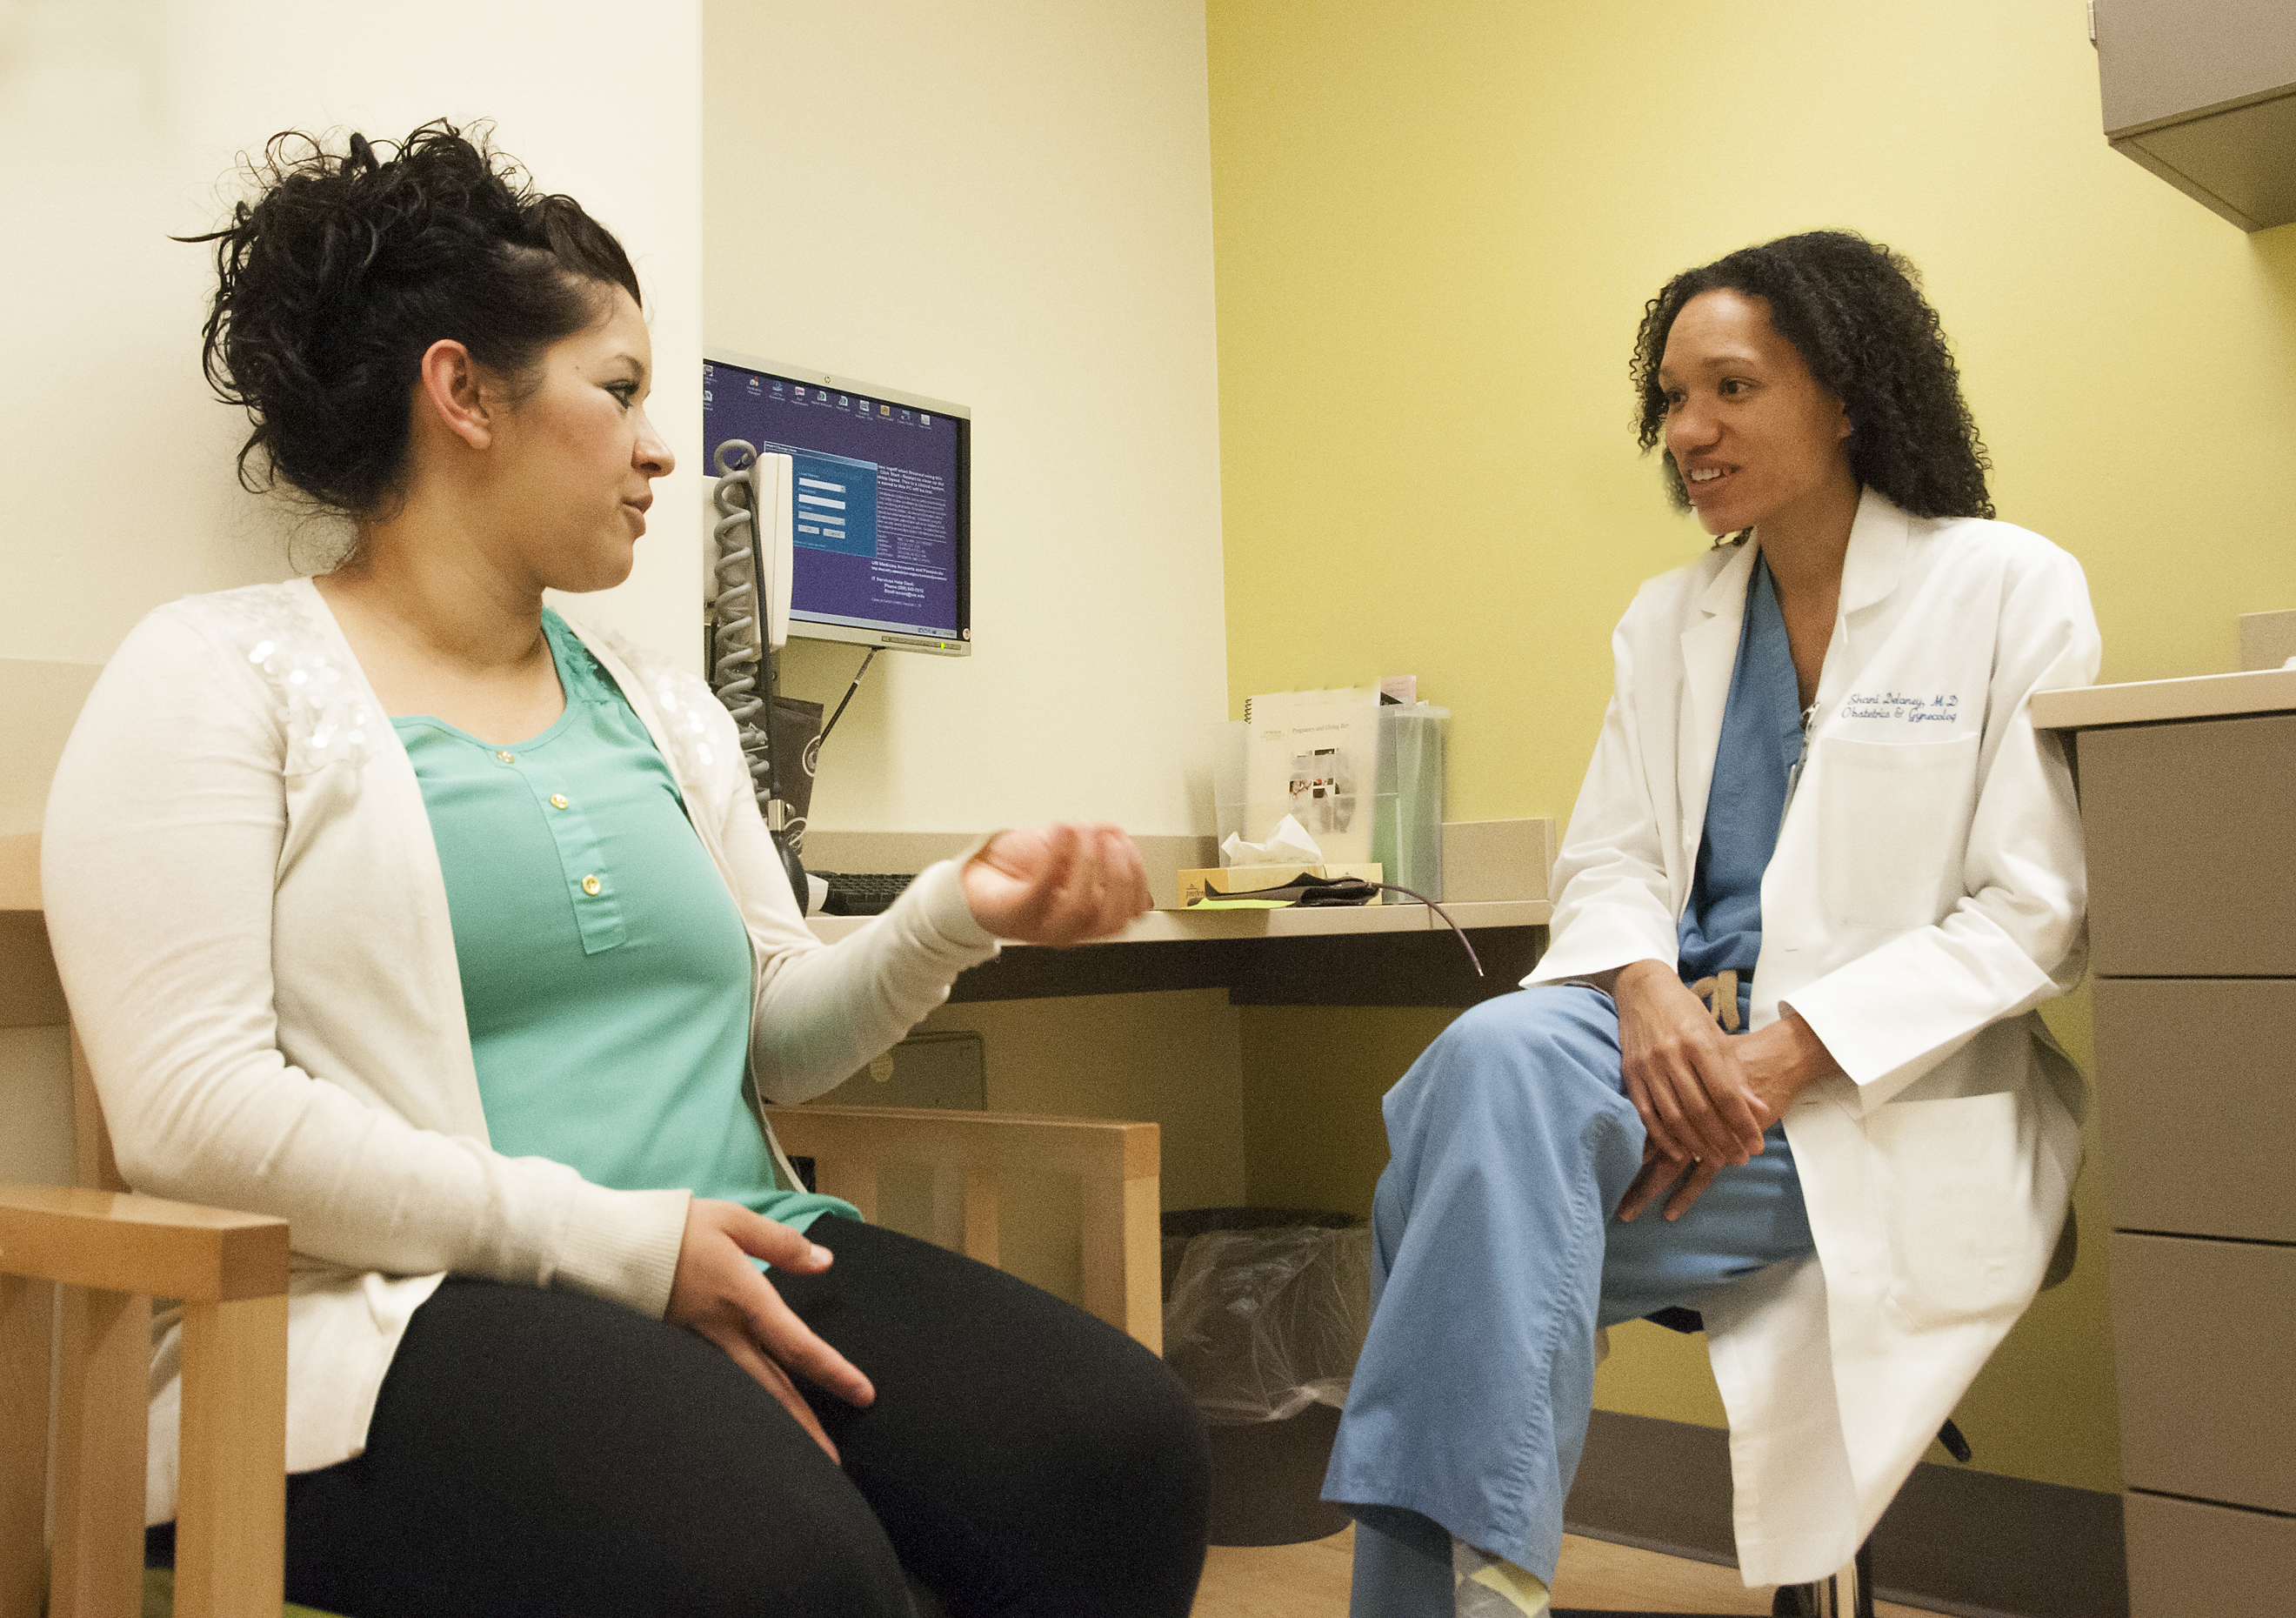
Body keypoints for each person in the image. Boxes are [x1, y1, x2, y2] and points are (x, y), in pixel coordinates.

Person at [41, 123, 1209, 1618]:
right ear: (463, 392)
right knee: (771, 1569)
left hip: (739, 1240)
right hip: (402, 1312)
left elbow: (775, 1037)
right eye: (623, 391)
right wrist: (613, 1243)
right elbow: (192, 1117)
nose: (664, 447)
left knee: (1116, 1454)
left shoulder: (662, 704)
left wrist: (953, 914)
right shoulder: (216, 676)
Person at [1322, 231, 2098, 1616]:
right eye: (1673, 399)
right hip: (1660, 1049)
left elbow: (2031, 915)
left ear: (1847, 395)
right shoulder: (1669, 618)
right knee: (1498, 1060)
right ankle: (1478, 1582)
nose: (1690, 431)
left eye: (1730, 389)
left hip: (1879, 1089)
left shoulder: (2005, 588)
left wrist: (1793, 1051)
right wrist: (1645, 993)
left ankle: (1451, 1594)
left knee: (1429, 1211)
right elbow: (1614, 857)